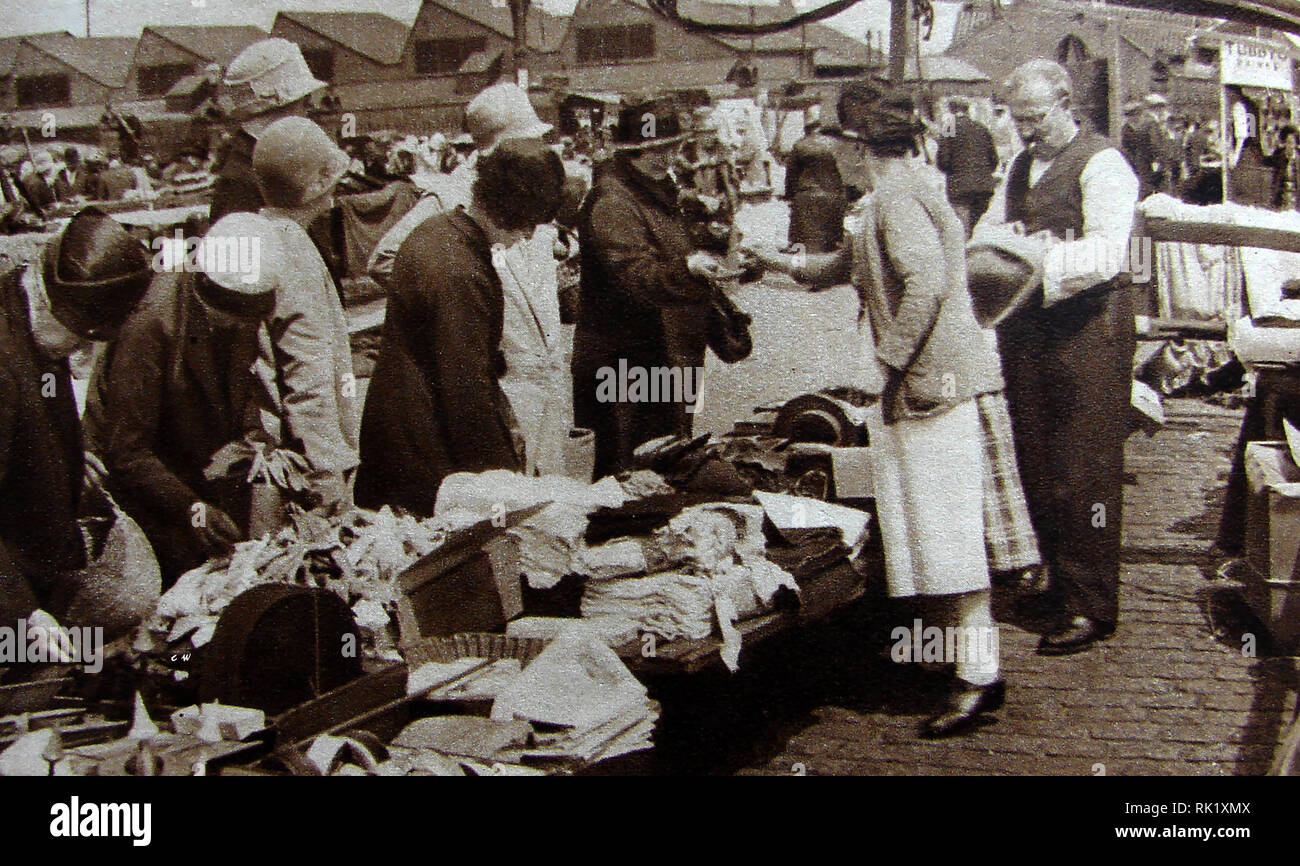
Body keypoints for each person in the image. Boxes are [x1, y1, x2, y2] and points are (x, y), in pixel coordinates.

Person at [746, 81, 1034, 738]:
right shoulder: (895, 197)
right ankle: (949, 664)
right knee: (932, 536)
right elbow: (837, 268)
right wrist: (763, 262)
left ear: (858, 146)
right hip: (934, 390)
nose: (831, 156)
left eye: (836, 143)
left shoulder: (898, 202)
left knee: (952, 542)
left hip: (937, 392)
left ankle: (979, 680)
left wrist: (882, 364)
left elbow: (927, 283)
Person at [973, 59, 1140, 655]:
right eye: (1018, 120)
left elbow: (1106, 252)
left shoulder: (1104, 164)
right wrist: (996, 254)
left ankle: (1091, 603)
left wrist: (1041, 261)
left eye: (1037, 118)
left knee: (1084, 464)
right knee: (1034, 457)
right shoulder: (1017, 165)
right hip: (1028, 326)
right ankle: (1054, 579)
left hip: (1087, 327)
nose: (1027, 131)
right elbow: (991, 230)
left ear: (1066, 104)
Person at [369, 83, 576, 477]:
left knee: (547, 477)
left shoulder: (530, 184)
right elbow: (384, 259)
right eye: (525, 139)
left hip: (542, 354)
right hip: (500, 358)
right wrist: (459, 305)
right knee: (503, 470)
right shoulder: (449, 196)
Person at [83, 213, 274, 586]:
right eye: (232, 318)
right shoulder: (150, 324)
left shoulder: (239, 304)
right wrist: (193, 510)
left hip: (191, 464)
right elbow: (127, 452)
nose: (241, 327)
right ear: (206, 291)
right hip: (142, 487)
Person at [0, 208, 152, 631]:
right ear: (57, 309)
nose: (79, 354)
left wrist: (64, 458)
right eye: (81, 339)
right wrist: (21, 613)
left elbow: (42, 406)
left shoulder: (31, 317)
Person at [572, 97, 736, 478]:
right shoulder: (613, 200)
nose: (665, 158)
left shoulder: (655, 189)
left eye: (672, 148)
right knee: (628, 469)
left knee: (669, 454)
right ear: (631, 152)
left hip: (662, 350)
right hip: (623, 361)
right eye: (653, 151)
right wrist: (689, 267)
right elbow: (635, 276)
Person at [250, 117, 360, 515]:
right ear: (317, 186)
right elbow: (306, 367)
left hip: (280, 452)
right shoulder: (292, 248)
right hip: (306, 464)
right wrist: (327, 468)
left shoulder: (262, 234)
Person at [209, 38, 327, 223]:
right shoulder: (241, 181)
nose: (311, 104)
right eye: (304, 99)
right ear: (275, 108)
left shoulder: (268, 164)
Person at [936, 97, 999, 237]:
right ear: (967, 109)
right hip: (984, 188)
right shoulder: (981, 127)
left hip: (960, 189)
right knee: (979, 232)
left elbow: (943, 161)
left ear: (951, 110)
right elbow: (994, 160)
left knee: (963, 233)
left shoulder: (950, 128)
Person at [784, 120, 847, 254]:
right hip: (834, 197)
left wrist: (789, 196)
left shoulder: (800, 145)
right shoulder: (839, 144)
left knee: (801, 244)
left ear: (807, 130)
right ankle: (828, 273)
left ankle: (799, 271)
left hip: (806, 197)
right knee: (831, 244)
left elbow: (791, 176)